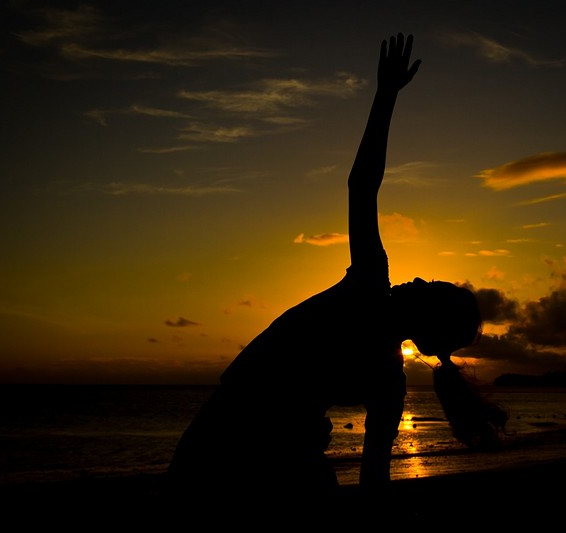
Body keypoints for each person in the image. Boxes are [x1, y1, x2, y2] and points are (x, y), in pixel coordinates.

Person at [166, 33, 483, 513]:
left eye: (429, 287)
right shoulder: (390, 381)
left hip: (239, 441)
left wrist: (385, 96)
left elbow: (362, 185)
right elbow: (374, 479)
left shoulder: (370, 288)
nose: (418, 280)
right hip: (276, 451)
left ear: (426, 318)